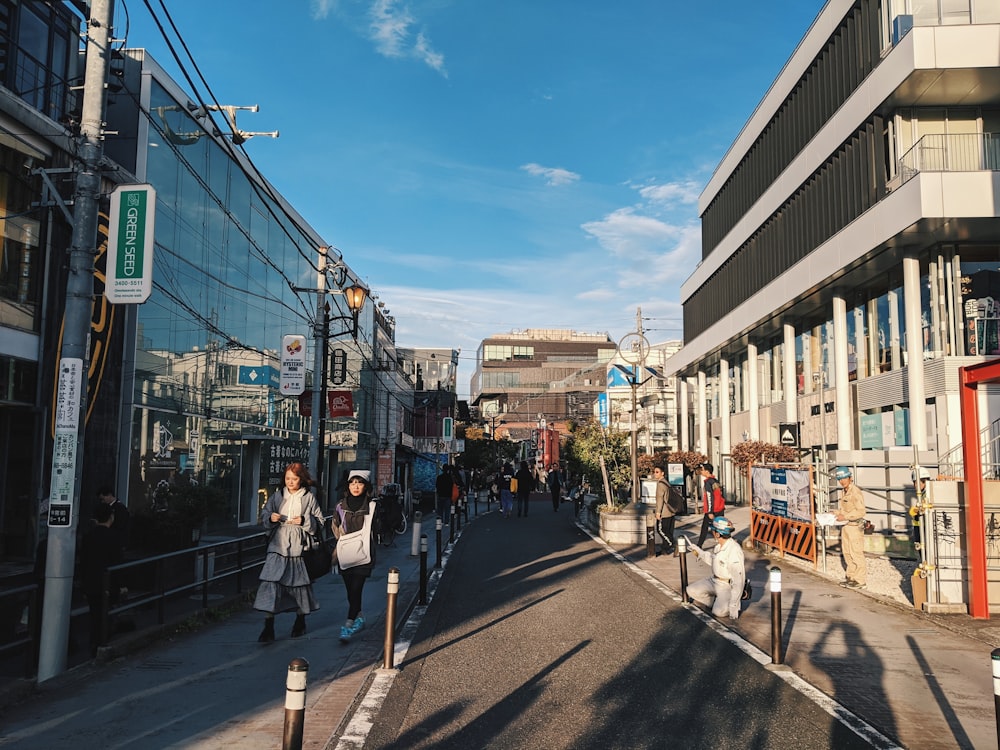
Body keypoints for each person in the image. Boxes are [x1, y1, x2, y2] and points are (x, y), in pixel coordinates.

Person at [254, 462, 325, 642]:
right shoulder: (277, 496)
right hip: (277, 545)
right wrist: (270, 517)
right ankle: (268, 625)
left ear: (301, 479)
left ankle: (300, 620)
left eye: (294, 479)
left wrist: (304, 520)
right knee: (271, 583)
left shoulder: (309, 498)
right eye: (287, 479)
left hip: (299, 548)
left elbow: (320, 522)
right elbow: (265, 514)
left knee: (299, 586)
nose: (290, 482)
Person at [331, 469, 378, 643]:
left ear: (366, 486)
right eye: (352, 483)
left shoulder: (372, 506)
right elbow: (335, 527)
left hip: (364, 553)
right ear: (348, 485)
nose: (355, 486)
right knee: (350, 591)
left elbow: (377, 528)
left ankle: (348, 625)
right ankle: (359, 617)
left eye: (359, 483)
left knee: (357, 587)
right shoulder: (340, 506)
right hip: (345, 554)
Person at [80, 503, 122, 655]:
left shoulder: (87, 537)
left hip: (91, 581)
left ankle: (94, 643)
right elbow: (118, 561)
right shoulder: (115, 537)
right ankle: (103, 642)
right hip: (109, 581)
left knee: (94, 613)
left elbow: (83, 561)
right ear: (111, 517)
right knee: (106, 613)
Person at [687, 516, 746, 619]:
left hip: (726, 585)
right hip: (714, 581)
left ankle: (725, 601)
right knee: (691, 590)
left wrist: (734, 605)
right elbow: (712, 560)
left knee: (718, 612)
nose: (712, 532)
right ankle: (715, 600)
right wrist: (698, 552)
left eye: (713, 531)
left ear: (718, 534)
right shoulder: (718, 546)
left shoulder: (734, 550)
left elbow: (738, 580)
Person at [835, 465, 868, 589]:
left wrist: (846, 516)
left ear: (850, 478)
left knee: (856, 553)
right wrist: (836, 513)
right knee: (847, 553)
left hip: (854, 526)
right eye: (840, 479)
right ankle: (851, 577)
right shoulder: (844, 491)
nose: (842, 481)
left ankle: (860, 580)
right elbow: (845, 510)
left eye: (844, 478)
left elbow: (861, 511)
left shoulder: (855, 492)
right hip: (846, 526)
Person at [696, 463, 725, 547]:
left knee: (705, 528)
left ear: (707, 471)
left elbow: (709, 497)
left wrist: (710, 511)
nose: (701, 472)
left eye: (702, 470)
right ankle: (722, 543)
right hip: (720, 508)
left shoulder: (708, 482)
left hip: (713, 509)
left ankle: (699, 545)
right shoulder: (715, 481)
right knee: (719, 527)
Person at [97, 486, 130, 557]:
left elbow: (120, 525)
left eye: (103, 499)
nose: (102, 502)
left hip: (116, 541)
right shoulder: (111, 507)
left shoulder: (120, 508)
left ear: (109, 495)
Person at [653, 466, 677, 556]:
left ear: (662, 473)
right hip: (671, 510)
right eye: (655, 472)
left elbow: (660, 499)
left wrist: (658, 512)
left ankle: (673, 544)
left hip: (664, 512)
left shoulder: (660, 484)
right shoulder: (667, 482)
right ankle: (665, 549)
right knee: (668, 530)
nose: (655, 474)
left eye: (657, 472)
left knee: (661, 530)